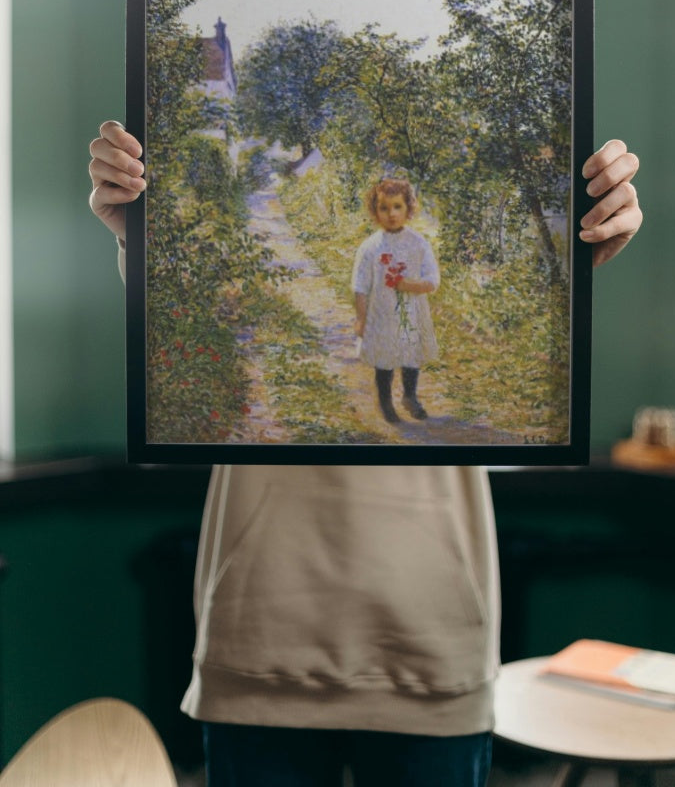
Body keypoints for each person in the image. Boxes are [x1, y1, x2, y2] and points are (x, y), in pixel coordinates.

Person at [89, 123, 642, 787]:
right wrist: (138, 231)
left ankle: (402, 402)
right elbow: (191, 306)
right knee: (386, 369)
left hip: (433, 635)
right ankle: (391, 398)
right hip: (262, 633)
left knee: (406, 372)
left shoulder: (427, 243)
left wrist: (570, 258)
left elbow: (463, 290)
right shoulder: (322, 246)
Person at [353, 177, 439, 423]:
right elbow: (360, 286)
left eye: (397, 207)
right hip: (381, 313)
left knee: (411, 353)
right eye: (384, 208)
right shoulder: (370, 247)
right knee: (385, 358)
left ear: (408, 208)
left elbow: (432, 280)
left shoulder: (418, 243)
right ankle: (385, 402)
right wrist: (361, 318)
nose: (391, 214)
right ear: (375, 211)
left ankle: (410, 397)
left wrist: (409, 285)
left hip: (410, 312)